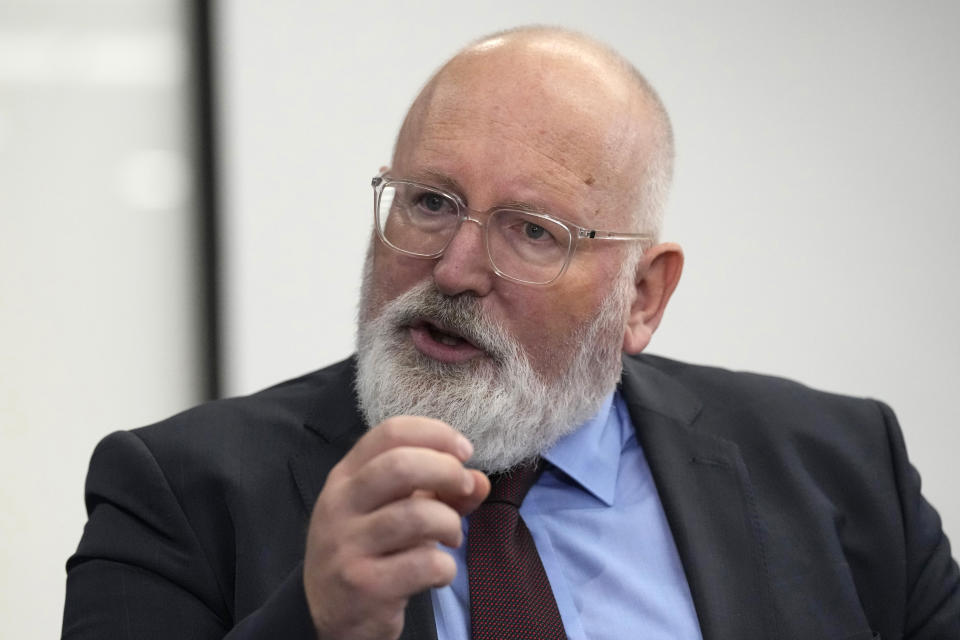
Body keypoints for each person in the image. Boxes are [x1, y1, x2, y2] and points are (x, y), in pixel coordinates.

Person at [62, 26, 958, 640]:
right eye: (429, 202)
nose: (454, 269)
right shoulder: (177, 491)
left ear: (643, 297)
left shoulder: (844, 468)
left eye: (534, 230)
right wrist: (314, 621)